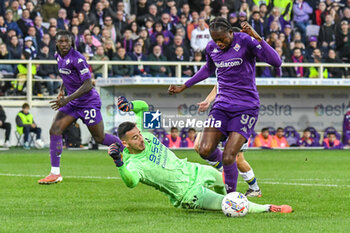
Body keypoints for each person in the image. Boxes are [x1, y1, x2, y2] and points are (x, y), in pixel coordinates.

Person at [109, 97, 292, 213]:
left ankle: (232, 198)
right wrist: (119, 163)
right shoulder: (133, 164)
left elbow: (143, 107)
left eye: (139, 134)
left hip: (194, 170)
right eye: (135, 138)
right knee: (225, 203)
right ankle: (269, 209)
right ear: (125, 143)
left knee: (223, 182)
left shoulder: (145, 135)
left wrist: (130, 105)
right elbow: (131, 183)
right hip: (188, 193)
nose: (140, 139)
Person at [168, 18, 281, 193]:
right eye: (216, 40)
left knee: (230, 157)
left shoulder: (245, 40)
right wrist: (185, 85)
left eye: (222, 39)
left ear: (231, 32)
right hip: (221, 107)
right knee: (204, 149)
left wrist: (257, 37)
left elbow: (276, 62)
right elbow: (207, 69)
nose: (219, 43)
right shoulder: (211, 48)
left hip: (245, 107)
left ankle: (231, 196)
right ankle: (231, 174)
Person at [37, 30, 123, 185]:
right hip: (73, 102)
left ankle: (126, 149)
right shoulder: (58, 56)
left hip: (88, 102)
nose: (63, 44)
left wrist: (66, 99)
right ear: (56, 42)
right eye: (60, 41)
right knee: (55, 130)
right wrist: (62, 91)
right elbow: (67, 76)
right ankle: (55, 173)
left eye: (66, 41)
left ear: (72, 42)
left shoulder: (78, 58)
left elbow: (88, 84)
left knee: (99, 138)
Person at [195, 85, 262, 197]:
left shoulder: (241, 71)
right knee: (199, 147)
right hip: (220, 115)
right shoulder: (223, 70)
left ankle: (254, 189)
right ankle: (227, 172)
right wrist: (208, 100)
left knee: (238, 159)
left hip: (239, 117)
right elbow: (218, 86)